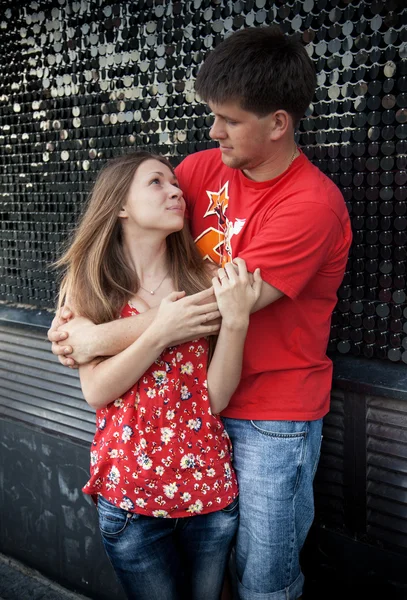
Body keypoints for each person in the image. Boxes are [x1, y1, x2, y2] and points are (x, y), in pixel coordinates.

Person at [49, 26, 352, 600]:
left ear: (278, 123)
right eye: (212, 116)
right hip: (192, 411)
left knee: (262, 580)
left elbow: (218, 307)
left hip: (271, 415)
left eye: (229, 120)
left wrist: (97, 339)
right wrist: (69, 312)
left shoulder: (311, 206)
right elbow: (121, 228)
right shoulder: (200, 170)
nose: (213, 132)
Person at [54, 150, 262, 600]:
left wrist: (238, 321)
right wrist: (160, 331)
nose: (175, 191)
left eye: (175, 183)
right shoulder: (90, 284)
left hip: (208, 494)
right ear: (121, 206)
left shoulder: (203, 275)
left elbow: (217, 398)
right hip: (131, 501)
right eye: (156, 183)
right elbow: (96, 390)